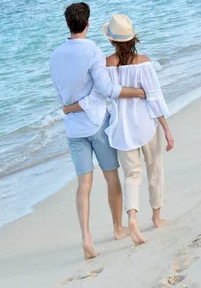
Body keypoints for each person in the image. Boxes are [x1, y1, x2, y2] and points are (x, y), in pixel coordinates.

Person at [64, 14, 174, 246]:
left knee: (132, 176)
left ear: (112, 41)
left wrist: (70, 107)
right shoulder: (144, 62)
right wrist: (166, 128)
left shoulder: (104, 65)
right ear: (133, 37)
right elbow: (154, 98)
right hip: (146, 123)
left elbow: (97, 95)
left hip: (121, 128)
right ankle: (155, 217)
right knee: (155, 169)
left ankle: (132, 217)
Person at [49, 3, 146, 260]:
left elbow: (61, 95)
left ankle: (86, 237)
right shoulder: (92, 50)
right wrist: (137, 92)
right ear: (88, 23)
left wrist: (71, 107)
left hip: (73, 129)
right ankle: (117, 228)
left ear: (68, 24)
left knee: (84, 184)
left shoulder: (55, 56)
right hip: (97, 124)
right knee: (111, 177)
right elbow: (107, 89)